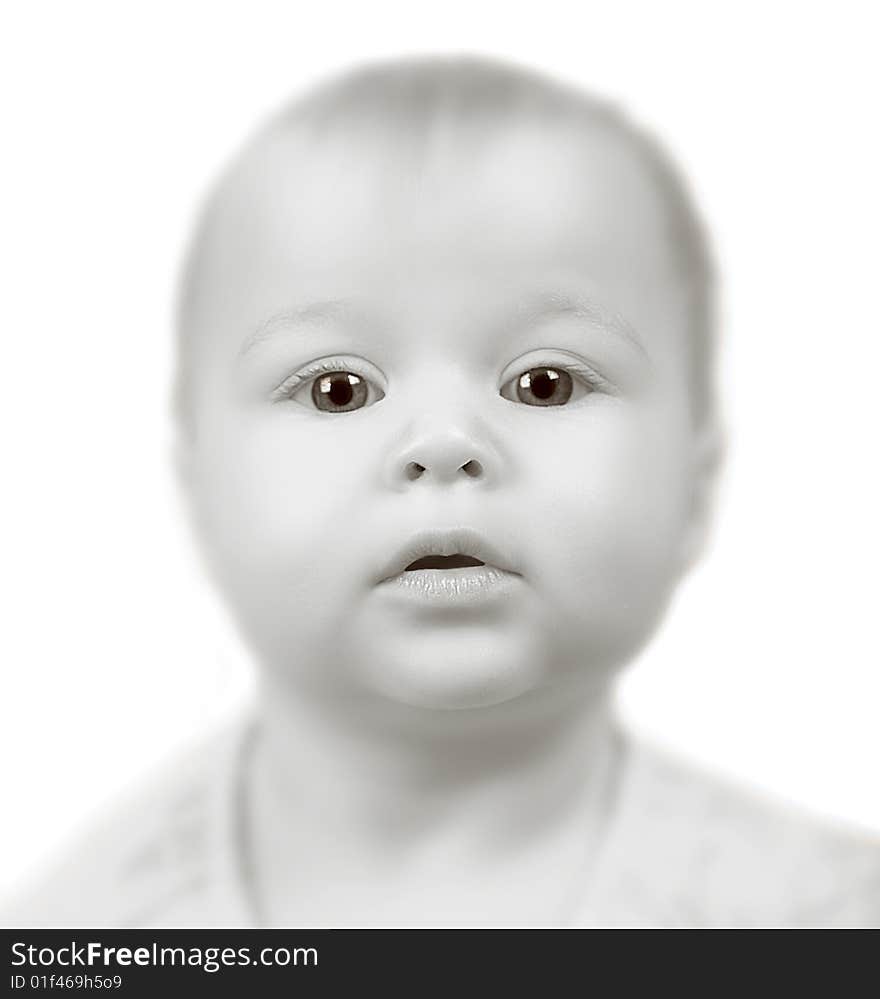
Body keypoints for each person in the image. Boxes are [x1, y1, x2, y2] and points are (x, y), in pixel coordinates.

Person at [5, 54, 879, 929]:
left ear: (699, 482)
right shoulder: (82, 933)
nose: (446, 443)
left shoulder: (823, 915)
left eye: (545, 383)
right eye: (335, 389)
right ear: (195, 490)